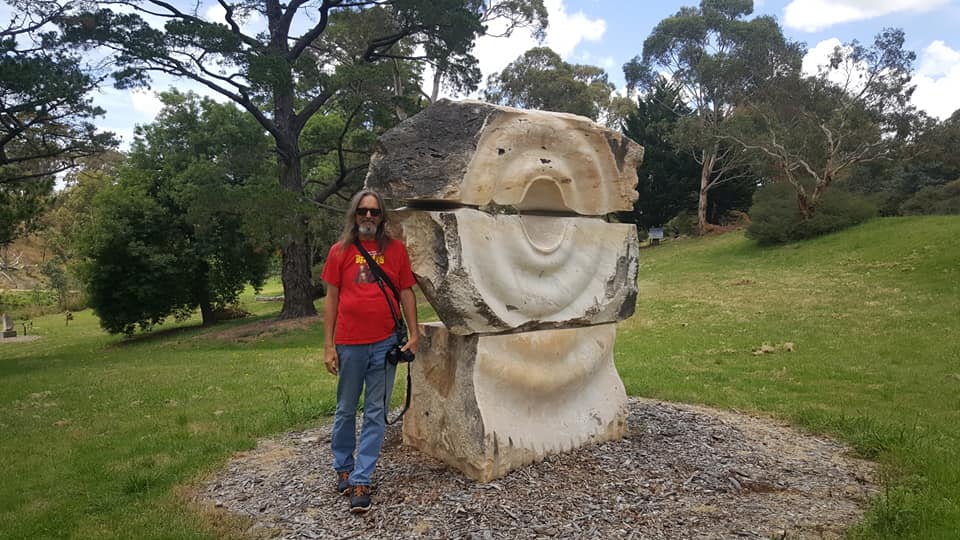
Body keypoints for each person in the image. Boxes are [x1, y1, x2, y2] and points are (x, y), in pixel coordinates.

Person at [321, 189, 419, 514]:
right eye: (363, 211)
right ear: (354, 214)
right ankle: (343, 467)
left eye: (374, 212)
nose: (368, 216)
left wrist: (414, 333)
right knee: (346, 409)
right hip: (349, 344)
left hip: (385, 344)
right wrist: (328, 346)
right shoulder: (339, 251)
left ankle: (362, 478)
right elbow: (331, 299)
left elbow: (406, 292)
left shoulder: (396, 251)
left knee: (376, 412)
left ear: (381, 217)